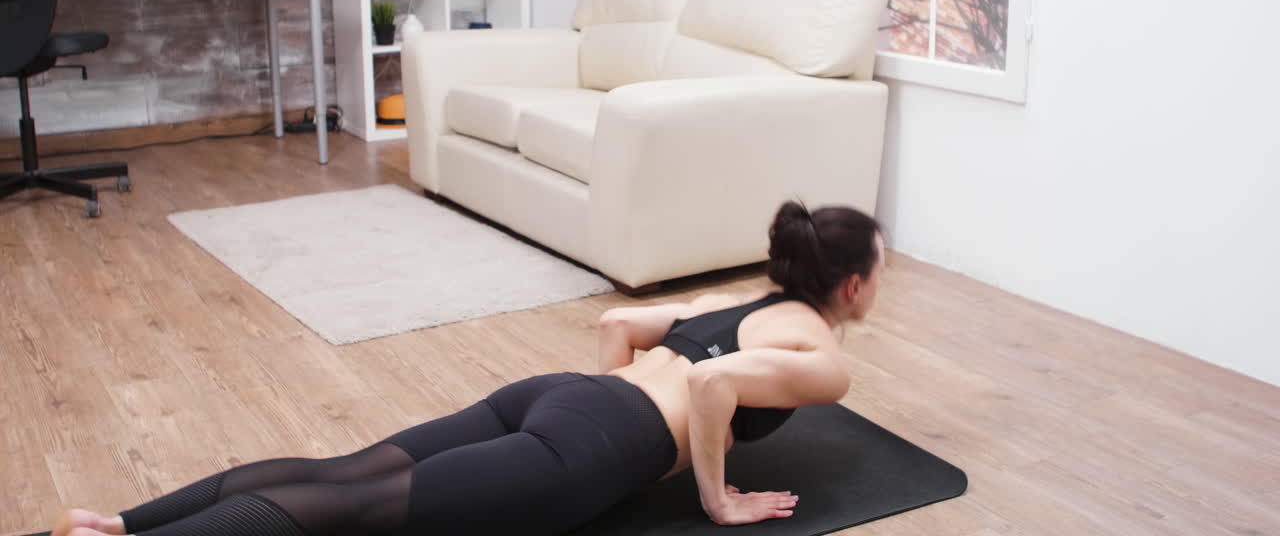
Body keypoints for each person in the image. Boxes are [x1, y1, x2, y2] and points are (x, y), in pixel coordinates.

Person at [49, 200, 883, 536]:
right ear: (851, 283)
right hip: (589, 441)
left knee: (342, 470)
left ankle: (119, 522)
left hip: (560, 397)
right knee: (360, 512)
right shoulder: (825, 357)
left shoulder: (747, 301)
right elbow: (713, 385)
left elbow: (619, 321)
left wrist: (596, 412)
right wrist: (715, 497)